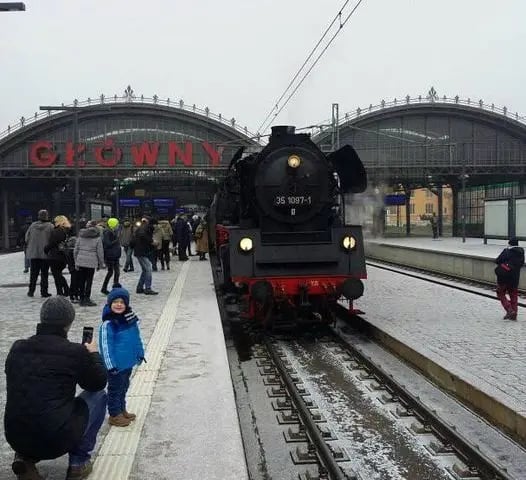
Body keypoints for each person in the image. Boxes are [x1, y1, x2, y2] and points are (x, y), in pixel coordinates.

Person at [4, 296, 107, 480]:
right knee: (99, 396)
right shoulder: (74, 352)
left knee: (28, 399)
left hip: (15, 436)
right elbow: (97, 383)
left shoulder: (18, 347)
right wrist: (93, 354)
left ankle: (24, 459)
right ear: (68, 324)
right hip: (55, 439)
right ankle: (79, 462)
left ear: (42, 319)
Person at [99, 284, 145, 427]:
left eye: (122, 302)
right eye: (115, 302)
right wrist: (110, 365)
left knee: (124, 386)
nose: (119, 305)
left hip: (127, 363)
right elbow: (105, 346)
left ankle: (121, 409)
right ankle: (114, 414)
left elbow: (136, 338)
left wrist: (140, 353)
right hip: (116, 365)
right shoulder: (108, 324)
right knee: (115, 389)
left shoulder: (130, 320)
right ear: (110, 303)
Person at [74, 220, 105, 307]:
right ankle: (87, 298)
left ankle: (81, 298)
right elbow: (100, 252)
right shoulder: (97, 238)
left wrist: (76, 261)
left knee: (81, 280)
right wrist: (100, 263)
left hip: (81, 261)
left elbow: (76, 250)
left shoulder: (81, 236)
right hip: (91, 262)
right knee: (89, 280)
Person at [25, 209, 54, 298]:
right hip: (45, 254)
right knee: (44, 274)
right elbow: (52, 239)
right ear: (47, 216)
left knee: (33, 274)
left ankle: (31, 291)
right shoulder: (50, 226)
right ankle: (44, 292)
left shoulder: (32, 226)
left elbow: (27, 238)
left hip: (34, 254)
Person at [495, 237, 525, 320]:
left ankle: (509, 309)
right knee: (513, 295)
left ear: (510, 243)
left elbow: (497, 260)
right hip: (515, 278)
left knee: (500, 293)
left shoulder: (506, 251)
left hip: (504, 278)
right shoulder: (521, 252)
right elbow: (521, 263)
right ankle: (514, 314)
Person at [45, 215, 72, 297]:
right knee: (58, 274)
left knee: (56, 275)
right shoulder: (67, 230)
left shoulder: (56, 231)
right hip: (63, 256)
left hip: (55, 256)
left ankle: (60, 291)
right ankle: (66, 290)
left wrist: (46, 249)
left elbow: (52, 243)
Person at [132, 218, 158, 295]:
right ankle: (148, 288)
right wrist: (152, 242)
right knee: (149, 268)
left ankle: (139, 288)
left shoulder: (144, 228)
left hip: (140, 251)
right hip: (141, 251)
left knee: (145, 270)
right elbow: (143, 236)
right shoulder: (146, 228)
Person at [101, 217, 121, 295]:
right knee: (111, 272)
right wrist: (116, 240)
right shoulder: (107, 232)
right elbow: (107, 243)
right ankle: (104, 288)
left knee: (116, 272)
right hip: (110, 255)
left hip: (114, 254)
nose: (118, 225)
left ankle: (115, 286)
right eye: (117, 224)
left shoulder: (113, 231)